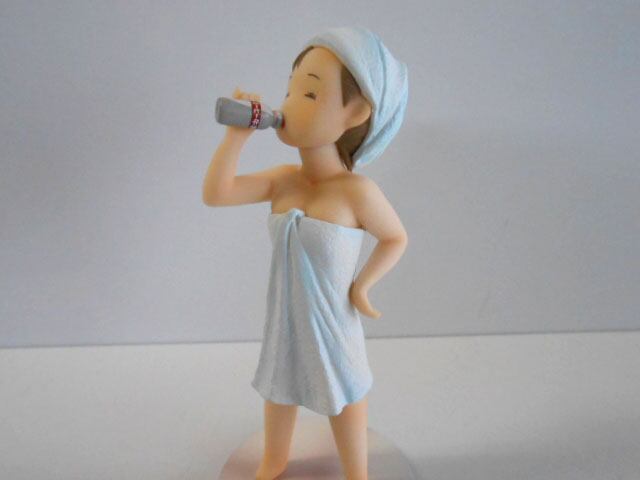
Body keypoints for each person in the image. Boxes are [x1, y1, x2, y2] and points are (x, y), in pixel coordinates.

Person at [202, 25, 409, 480]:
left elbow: (395, 237)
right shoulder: (283, 179)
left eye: (310, 94)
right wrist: (236, 138)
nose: (291, 104)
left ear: (355, 112)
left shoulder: (357, 192)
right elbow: (217, 194)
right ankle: (273, 460)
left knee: (345, 390)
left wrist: (362, 287)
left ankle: (357, 473)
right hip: (286, 316)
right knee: (279, 386)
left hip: (333, 320)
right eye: (291, 90)